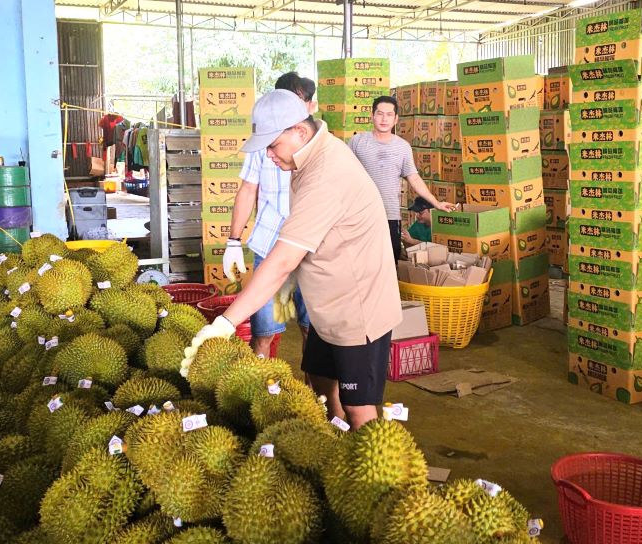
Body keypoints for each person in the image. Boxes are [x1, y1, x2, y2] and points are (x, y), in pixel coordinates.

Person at [181, 89, 402, 430]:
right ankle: (334, 434)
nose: (269, 155)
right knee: (317, 373)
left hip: (358, 306)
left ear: (299, 132)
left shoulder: (326, 175)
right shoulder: (309, 156)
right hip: (329, 299)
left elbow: (283, 260)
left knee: (359, 405)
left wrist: (225, 323)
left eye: (272, 145)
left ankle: (369, 472)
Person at [223, 72, 315, 359]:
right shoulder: (262, 142)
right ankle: (260, 394)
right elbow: (248, 188)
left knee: (312, 332)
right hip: (270, 243)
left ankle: (317, 398)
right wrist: (233, 240)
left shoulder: (320, 148)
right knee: (264, 333)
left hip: (310, 250)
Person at [348, 95, 455, 261]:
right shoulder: (357, 142)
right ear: (372, 116)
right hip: (360, 214)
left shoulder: (403, 147)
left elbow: (414, 179)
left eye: (389, 114)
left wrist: (436, 203)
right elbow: (344, 175)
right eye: (380, 113)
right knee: (360, 260)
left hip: (390, 215)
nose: (384, 119)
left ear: (396, 119)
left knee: (390, 261)